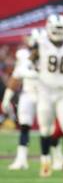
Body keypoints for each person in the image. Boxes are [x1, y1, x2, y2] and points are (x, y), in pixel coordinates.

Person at [33, 15, 63, 177]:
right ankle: (45, 163)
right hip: (45, 91)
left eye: (61, 28)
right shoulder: (40, 42)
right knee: (45, 129)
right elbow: (31, 62)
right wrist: (35, 75)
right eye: (56, 28)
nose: (58, 32)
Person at [2, 30, 40, 170]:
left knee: (50, 129)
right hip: (28, 93)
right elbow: (16, 77)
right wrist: (7, 98)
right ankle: (21, 159)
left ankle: (55, 159)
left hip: (45, 94)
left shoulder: (48, 54)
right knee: (24, 125)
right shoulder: (24, 56)